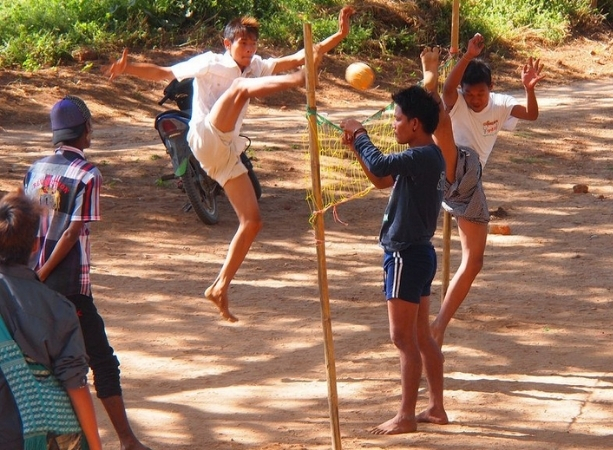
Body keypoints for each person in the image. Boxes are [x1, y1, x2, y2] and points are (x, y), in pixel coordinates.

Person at [104, 6, 355, 322]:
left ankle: (220, 286)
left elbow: (302, 53)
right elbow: (165, 73)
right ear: (227, 44)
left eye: (252, 46)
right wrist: (128, 69)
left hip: (224, 152)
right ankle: (298, 82)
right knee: (239, 87)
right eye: (242, 45)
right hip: (204, 135)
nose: (249, 51)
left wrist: (339, 35)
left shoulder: (256, 66)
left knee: (252, 222)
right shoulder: (211, 63)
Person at [23, 96, 150, 450]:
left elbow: (27, 225)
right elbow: (72, 231)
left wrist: (32, 275)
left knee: (41, 360)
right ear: (86, 131)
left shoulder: (35, 170)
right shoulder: (87, 173)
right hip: (68, 285)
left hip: (31, 282)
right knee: (101, 360)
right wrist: (46, 273)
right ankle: (126, 440)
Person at [340, 85, 451, 435]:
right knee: (421, 336)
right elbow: (381, 179)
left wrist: (360, 133)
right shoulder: (428, 156)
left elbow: (380, 162)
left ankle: (406, 415)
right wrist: (358, 150)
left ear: (415, 124)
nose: (394, 125)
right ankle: (435, 408)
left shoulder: (422, 156)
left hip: (405, 254)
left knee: (403, 339)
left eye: (398, 119)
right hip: (419, 253)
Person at [432, 32, 546, 346]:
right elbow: (446, 89)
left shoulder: (501, 105)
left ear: (491, 89)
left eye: (480, 94)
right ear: (462, 91)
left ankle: (438, 326)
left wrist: (528, 89)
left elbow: (532, 114)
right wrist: (467, 55)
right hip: (451, 167)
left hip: (466, 183)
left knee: (474, 261)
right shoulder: (456, 102)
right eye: (469, 94)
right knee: (448, 129)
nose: (475, 100)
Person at [0, 190, 103, 450]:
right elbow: (76, 385)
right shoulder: (58, 308)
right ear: (35, 244)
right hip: (24, 436)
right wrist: (95, 445)